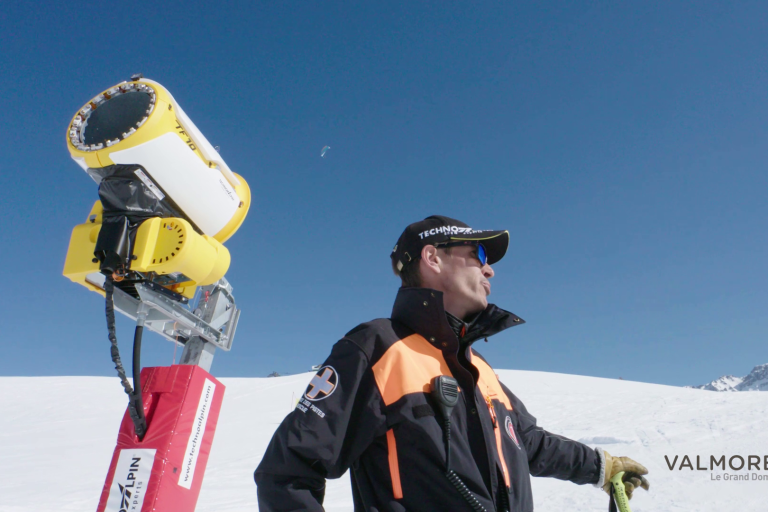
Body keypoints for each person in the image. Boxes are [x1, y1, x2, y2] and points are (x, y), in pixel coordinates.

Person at [255, 215, 649, 511]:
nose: (489, 268)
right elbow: (287, 471)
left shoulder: (479, 369)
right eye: (478, 254)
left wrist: (602, 466)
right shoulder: (377, 348)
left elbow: (528, 443)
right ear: (432, 258)